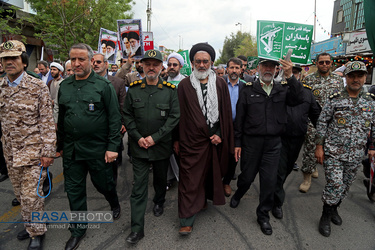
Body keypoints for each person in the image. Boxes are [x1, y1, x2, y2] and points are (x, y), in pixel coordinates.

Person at [57, 43, 121, 250]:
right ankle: (78, 229)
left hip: (97, 149)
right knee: (74, 190)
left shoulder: (103, 86)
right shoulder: (64, 86)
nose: (76, 64)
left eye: (81, 59)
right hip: (72, 149)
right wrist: (58, 145)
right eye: (73, 60)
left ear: (91, 61)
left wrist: (113, 147)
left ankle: (113, 201)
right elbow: (62, 117)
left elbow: (114, 118)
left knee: (104, 184)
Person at [230, 57, 303, 236]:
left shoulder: (283, 88)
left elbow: (298, 98)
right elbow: (239, 120)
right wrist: (237, 143)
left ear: (277, 69)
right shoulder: (248, 90)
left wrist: (290, 76)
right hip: (251, 144)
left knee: (269, 181)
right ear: (259, 68)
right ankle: (239, 192)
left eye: (272, 66)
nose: (268, 69)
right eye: (265, 66)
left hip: (273, 144)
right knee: (246, 177)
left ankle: (263, 215)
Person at [0, 40, 56, 250]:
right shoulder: (1, 87)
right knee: (20, 196)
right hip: (11, 154)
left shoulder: (37, 86)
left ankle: (36, 233)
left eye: (14, 58)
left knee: (31, 196)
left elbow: (47, 122)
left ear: (23, 61)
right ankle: (33, 222)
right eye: (5, 59)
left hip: (34, 153)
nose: (9, 62)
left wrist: (48, 151)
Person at [123, 49, 180, 244]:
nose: (151, 67)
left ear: (161, 67)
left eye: (155, 64)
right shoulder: (135, 89)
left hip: (161, 147)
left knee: (160, 179)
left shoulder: (171, 91)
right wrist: (138, 137)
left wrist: (155, 138)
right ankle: (137, 229)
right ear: (142, 66)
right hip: (139, 148)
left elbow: (174, 118)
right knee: (138, 187)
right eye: (147, 64)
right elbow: (127, 116)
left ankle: (159, 201)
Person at [177, 43, 234, 235]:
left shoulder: (220, 84)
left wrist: (219, 132)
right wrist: (176, 140)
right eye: (198, 61)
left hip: (214, 141)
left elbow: (225, 113)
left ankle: (202, 201)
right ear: (192, 63)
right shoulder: (184, 86)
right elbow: (180, 116)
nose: (202, 65)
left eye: (205, 61)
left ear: (211, 62)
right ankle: (186, 218)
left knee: (210, 174)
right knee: (189, 180)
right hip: (191, 141)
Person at [315, 61, 375, 237]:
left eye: (359, 76)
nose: (356, 79)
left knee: (345, 186)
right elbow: (322, 122)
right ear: (346, 78)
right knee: (335, 184)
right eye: (352, 76)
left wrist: (372, 147)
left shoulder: (371, 102)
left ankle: (334, 209)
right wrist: (319, 146)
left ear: (365, 78)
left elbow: (373, 126)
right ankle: (325, 215)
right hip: (334, 152)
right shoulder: (335, 99)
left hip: (356, 153)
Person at [272, 64, 321, 220]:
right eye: (288, 72)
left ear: (300, 75)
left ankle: (275, 189)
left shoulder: (307, 93)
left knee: (285, 170)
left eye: (294, 72)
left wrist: (322, 141)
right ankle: (276, 202)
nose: (291, 74)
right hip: (279, 138)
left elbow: (317, 116)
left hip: (297, 139)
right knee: (279, 172)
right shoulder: (278, 89)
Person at [299, 53, 344, 193]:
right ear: (316, 63)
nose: (324, 65)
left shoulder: (338, 80)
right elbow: (304, 100)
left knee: (330, 149)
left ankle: (318, 169)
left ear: (331, 63)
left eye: (327, 62)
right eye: (321, 62)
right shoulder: (309, 79)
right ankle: (307, 177)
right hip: (313, 121)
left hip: (332, 122)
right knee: (310, 149)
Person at [92, 53, 126, 184]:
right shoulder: (85, 82)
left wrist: (123, 123)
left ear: (106, 64)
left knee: (112, 161)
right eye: (93, 62)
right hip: (94, 130)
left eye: (98, 62)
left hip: (113, 128)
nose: (95, 64)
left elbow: (122, 105)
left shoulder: (117, 82)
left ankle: (112, 185)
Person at [221, 57, 246, 197]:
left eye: (237, 68)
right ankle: (215, 181)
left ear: (241, 70)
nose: (234, 70)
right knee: (218, 154)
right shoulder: (219, 83)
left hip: (237, 128)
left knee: (233, 157)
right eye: (232, 67)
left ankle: (226, 182)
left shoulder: (246, 86)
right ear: (227, 69)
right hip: (220, 126)